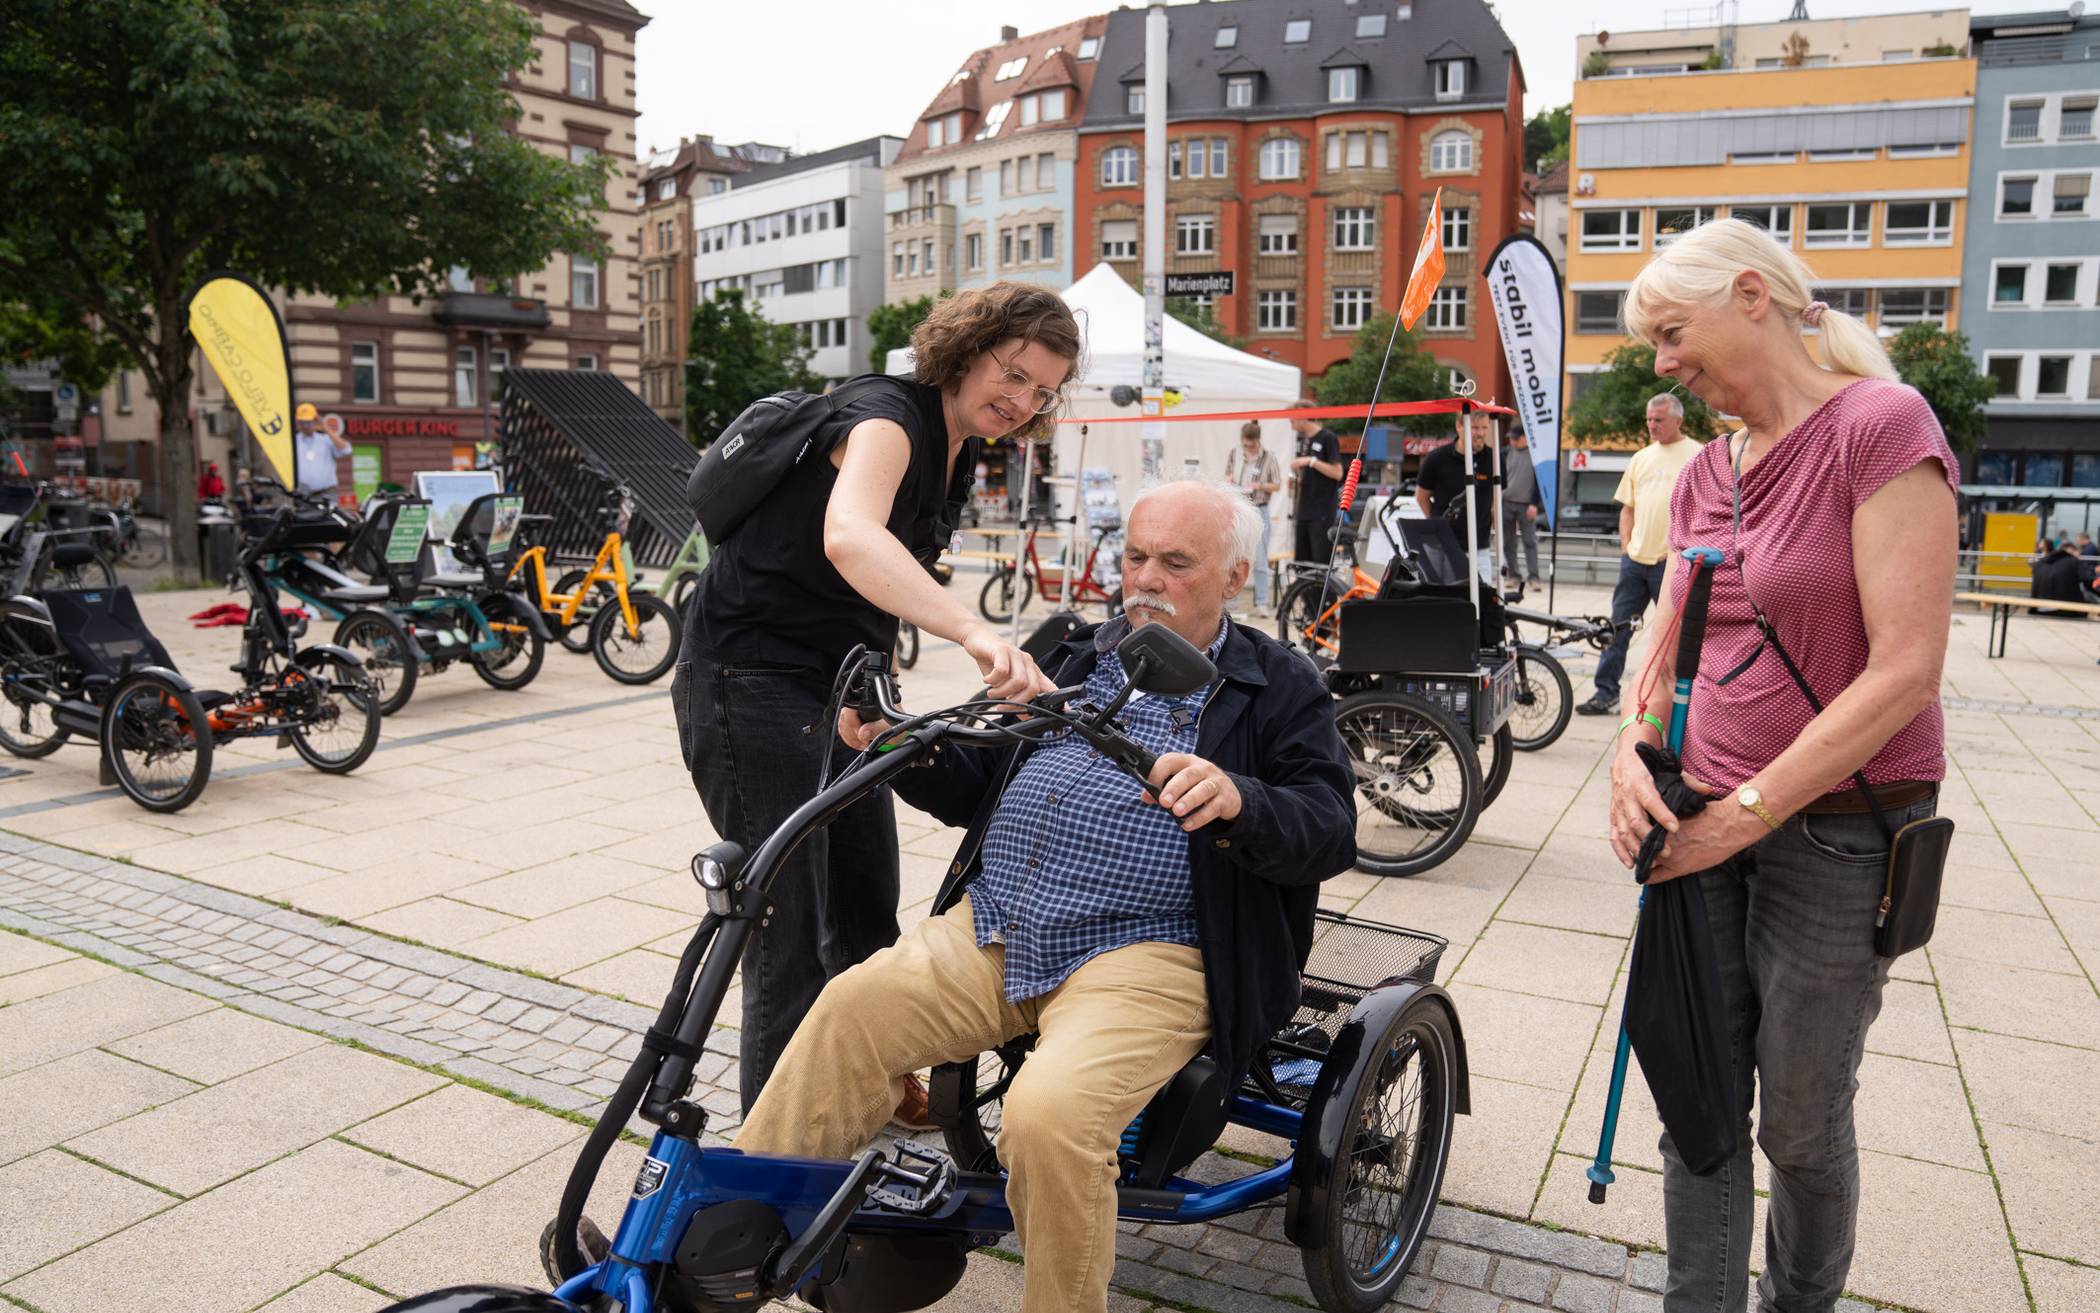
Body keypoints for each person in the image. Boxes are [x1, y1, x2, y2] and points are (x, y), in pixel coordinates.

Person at [732, 480, 1356, 1313]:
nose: (1146, 578)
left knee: (1049, 1114)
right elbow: (979, 782)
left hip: (1153, 951)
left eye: (1176, 562)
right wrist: (902, 744)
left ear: (1236, 576)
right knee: (849, 1006)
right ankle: (732, 1254)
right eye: (1135, 556)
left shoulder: (1278, 683)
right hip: (999, 922)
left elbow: (1329, 826)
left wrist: (1241, 798)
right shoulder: (1074, 651)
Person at [1608, 217, 1957, 1313]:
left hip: (1840, 830)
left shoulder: (1881, 426)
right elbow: (1664, 643)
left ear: (1751, 295)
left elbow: (1905, 672)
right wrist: (1631, 752)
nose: (1661, 363)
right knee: (1697, 1098)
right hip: (1699, 815)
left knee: (1803, 1120)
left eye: (1671, 332)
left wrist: (1746, 812)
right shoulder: (1710, 467)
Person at [673, 281, 1077, 1121]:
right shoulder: (886, 418)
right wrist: (973, 631)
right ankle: (774, 1163)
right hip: (749, 680)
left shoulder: (959, 443)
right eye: (1012, 373)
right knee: (787, 927)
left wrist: (883, 691)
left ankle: (870, 1076)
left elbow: (872, 584)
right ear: (967, 349)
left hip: (839, 684)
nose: (1021, 400)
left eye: (1041, 391)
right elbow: (850, 534)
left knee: (864, 895)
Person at [1576, 393, 1703, 716]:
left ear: (1678, 420)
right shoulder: (1641, 457)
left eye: (1658, 419)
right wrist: (1626, 549)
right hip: (1635, 563)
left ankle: (1683, 699)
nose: (1651, 425)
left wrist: (1680, 552)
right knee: (1616, 630)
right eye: (1649, 419)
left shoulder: (1699, 456)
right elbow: (1627, 508)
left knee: (1675, 638)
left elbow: (1704, 513)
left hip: (1670, 565)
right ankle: (1605, 693)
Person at [1415, 407, 1500, 583]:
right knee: (1444, 599)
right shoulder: (1437, 459)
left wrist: (1493, 528)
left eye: (1485, 428)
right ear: (1459, 426)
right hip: (1442, 545)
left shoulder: (1494, 458)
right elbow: (1421, 496)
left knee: (1483, 600)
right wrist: (1437, 522)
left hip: (1479, 546)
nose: (1481, 433)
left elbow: (1498, 498)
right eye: (1475, 428)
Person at [1224, 420, 1282, 612]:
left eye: (1251, 444)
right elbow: (1227, 475)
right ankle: (1231, 601)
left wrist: (1260, 486)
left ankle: (1262, 602)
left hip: (1259, 507)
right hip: (1238, 505)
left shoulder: (1269, 457)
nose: (1248, 447)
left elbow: (1277, 484)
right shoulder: (1235, 452)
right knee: (1234, 554)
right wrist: (1230, 481)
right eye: (1245, 444)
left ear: (1257, 441)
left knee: (1260, 557)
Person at [1287, 403, 1343, 562]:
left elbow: (1338, 473)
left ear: (1303, 416)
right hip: (1303, 510)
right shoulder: (1302, 440)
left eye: (1292, 420)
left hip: (1322, 512)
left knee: (1320, 562)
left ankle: (1321, 588)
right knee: (1302, 562)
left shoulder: (1327, 438)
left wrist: (1311, 461)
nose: (1291, 425)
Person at [1501, 426, 1545, 584]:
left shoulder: (1535, 455)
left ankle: (1534, 577)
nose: (1512, 441)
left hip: (1526, 505)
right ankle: (1514, 575)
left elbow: (1540, 481)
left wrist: (1535, 504)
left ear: (1525, 438)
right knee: (1508, 542)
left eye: (1516, 438)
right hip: (1506, 503)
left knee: (1530, 541)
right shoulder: (1505, 453)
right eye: (1511, 438)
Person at [291, 404, 351, 501]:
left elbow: (346, 450)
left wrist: (325, 428)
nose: (307, 426)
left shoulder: (326, 440)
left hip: (326, 494)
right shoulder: (293, 442)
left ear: (316, 421)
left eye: (309, 422)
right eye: (303, 422)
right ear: (298, 423)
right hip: (302, 495)